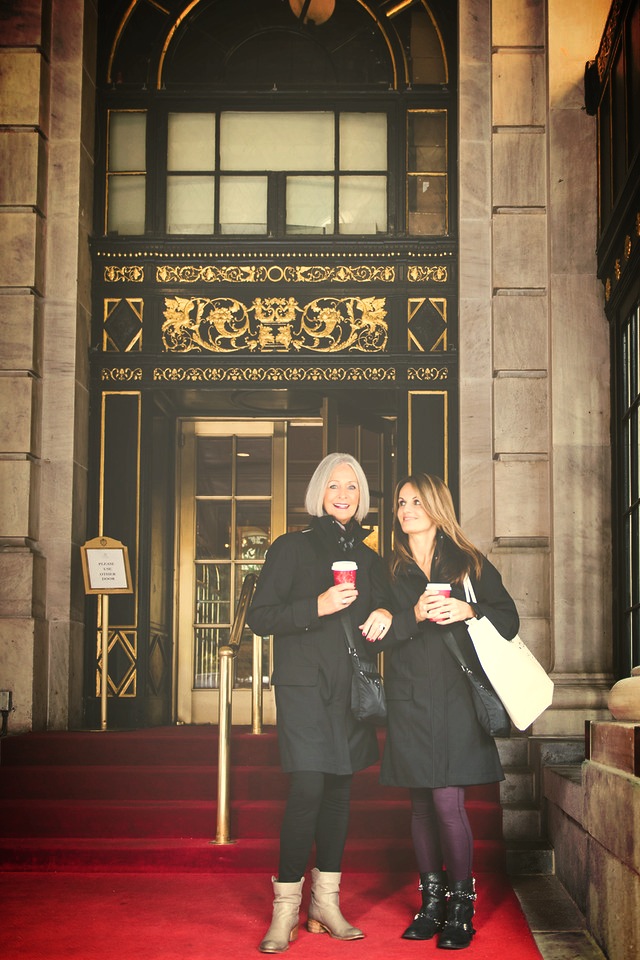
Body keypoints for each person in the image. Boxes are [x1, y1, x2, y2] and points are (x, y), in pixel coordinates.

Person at [361, 473, 519, 950]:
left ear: (435, 507)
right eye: (401, 502)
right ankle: (431, 902)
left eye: (416, 501)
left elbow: (508, 620)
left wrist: (470, 612)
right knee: (420, 805)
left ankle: (461, 905)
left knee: (447, 802)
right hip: (408, 697)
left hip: (455, 698)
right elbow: (375, 639)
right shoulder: (385, 570)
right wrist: (406, 614)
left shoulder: (466, 562)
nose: (406, 509)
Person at [246, 452, 390, 954]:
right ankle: (285, 908)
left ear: (362, 496)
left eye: (353, 486)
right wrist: (317, 606)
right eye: (335, 486)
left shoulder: (371, 559)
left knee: (339, 795)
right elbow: (260, 617)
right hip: (305, 690)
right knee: (308, 789)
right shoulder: (292, 547)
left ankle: (324, 903)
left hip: (351, 692)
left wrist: (387, 612)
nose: (344, 494)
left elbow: (384, 606)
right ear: (318, 493)